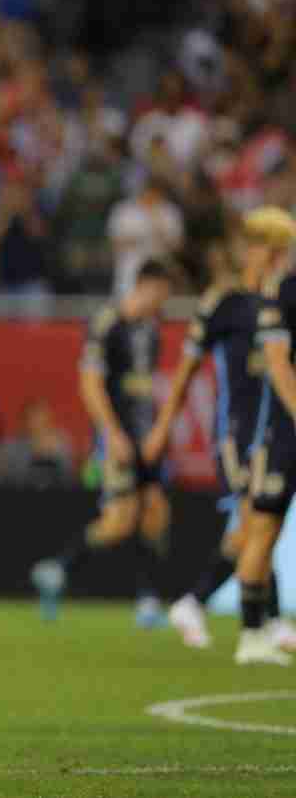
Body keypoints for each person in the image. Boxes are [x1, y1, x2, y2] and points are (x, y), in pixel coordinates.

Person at [142, 239, 296, 651]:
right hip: (235, 434)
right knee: (253, 524)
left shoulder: (283, 302)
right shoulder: (225, 304)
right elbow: (186, 370)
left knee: (259, 527)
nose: (274, 259)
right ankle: (234, 611)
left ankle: (221, 609)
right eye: (267, 250)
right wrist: (162, 426)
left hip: (272, 434)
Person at [31, 260, 174, 626]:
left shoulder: (151, 331)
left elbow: (143, 391)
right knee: (119, 521)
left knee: (155, 512)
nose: (164, 302)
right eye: (162, 293)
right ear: (147, 286)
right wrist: (111, 433)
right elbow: (90, 385)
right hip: (117, 438)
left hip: (144, 437)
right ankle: (59, 568)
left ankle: (147, 600)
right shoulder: (107, 323)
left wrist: (156, 431)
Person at [231, 207, 296, 665]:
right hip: (280, 433)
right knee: (263, 529)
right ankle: (251, 633)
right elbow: (277, 366)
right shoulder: (279, 294)